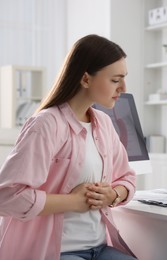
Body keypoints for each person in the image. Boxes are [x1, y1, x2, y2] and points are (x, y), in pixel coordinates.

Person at [0, 34, 137, 260]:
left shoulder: (103, 124)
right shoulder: (46, 124)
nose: (123, 87)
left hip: (100, 247)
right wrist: (72, 202)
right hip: (58, 251)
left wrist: (112, 195)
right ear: (85, 79)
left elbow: (127, 178)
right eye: (115, 80)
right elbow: (7, 196)